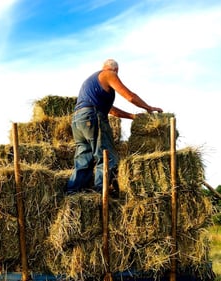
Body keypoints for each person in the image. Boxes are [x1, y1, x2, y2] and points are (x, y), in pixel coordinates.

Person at [66, 59, 163, 195]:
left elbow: (111, 110)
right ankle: (101, 193)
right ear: (115, 70)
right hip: (93, 117)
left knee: (83, 158)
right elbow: (129, 96)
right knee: (106, 156)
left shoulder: (92, 81)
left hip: (78, 120)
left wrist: (132, 116)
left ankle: (73, 193)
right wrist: (148, 107)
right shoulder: (109, 74)